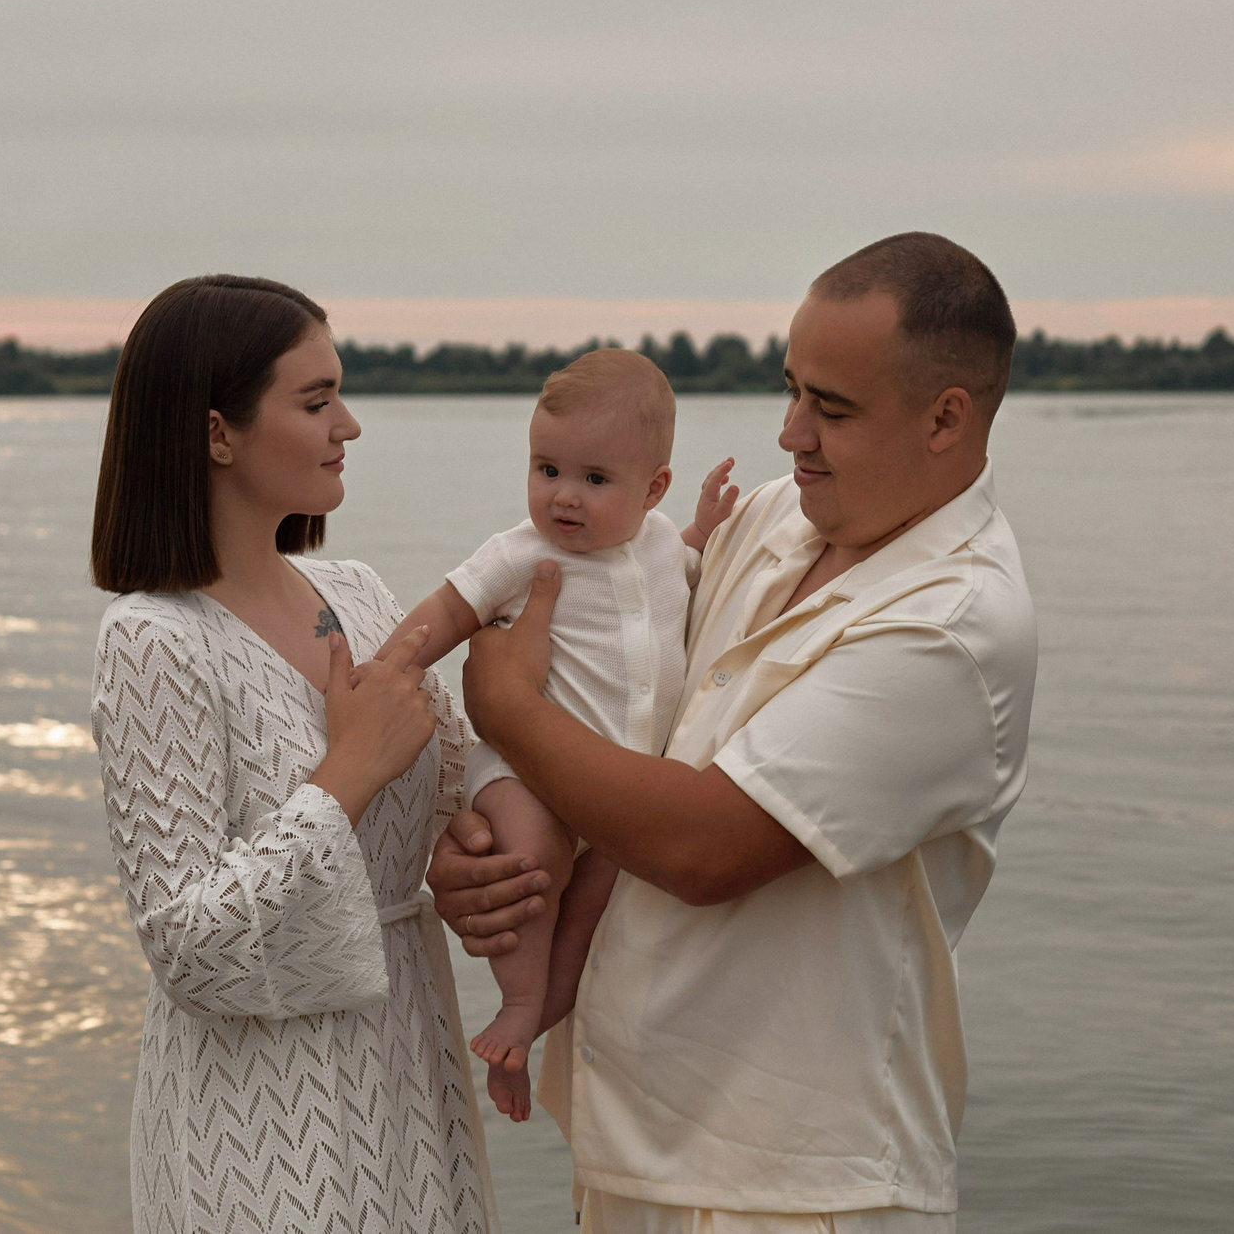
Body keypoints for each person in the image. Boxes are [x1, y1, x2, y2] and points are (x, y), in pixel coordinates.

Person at [432, 232, 1037, 1233]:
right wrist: (493, 851)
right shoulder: (768, 521)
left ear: (945, 417)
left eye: (831, 408)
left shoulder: (954, 626)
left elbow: (701, 845)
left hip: (801, 1189)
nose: (791, 433)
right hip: (632, 1145)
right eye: (791, 389)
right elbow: (614, 727)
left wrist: (509, 713)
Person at [89, 274, 494, 1234]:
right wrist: (346, 774)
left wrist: (474, 849)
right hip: (255, 1124)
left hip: (407, 1072)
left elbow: (450, 774)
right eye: (316, 402)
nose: (348, 424)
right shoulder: (153, 639)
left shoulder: (354, 593)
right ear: (218, 433)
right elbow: (187, 947)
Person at [387, 349, 739, 1121]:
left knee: (592, 919)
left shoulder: (659, 543)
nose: (564, 496)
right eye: (546, 469)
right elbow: (449, 610)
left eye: (594, 478)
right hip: (529, 777)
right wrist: (390, 665)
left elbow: (681, 562)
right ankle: (516, 1002)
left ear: (653, 489)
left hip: (621, 796)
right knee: (534, 866)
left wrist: (705, 529)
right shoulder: (522, 552)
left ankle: (533, 1027)